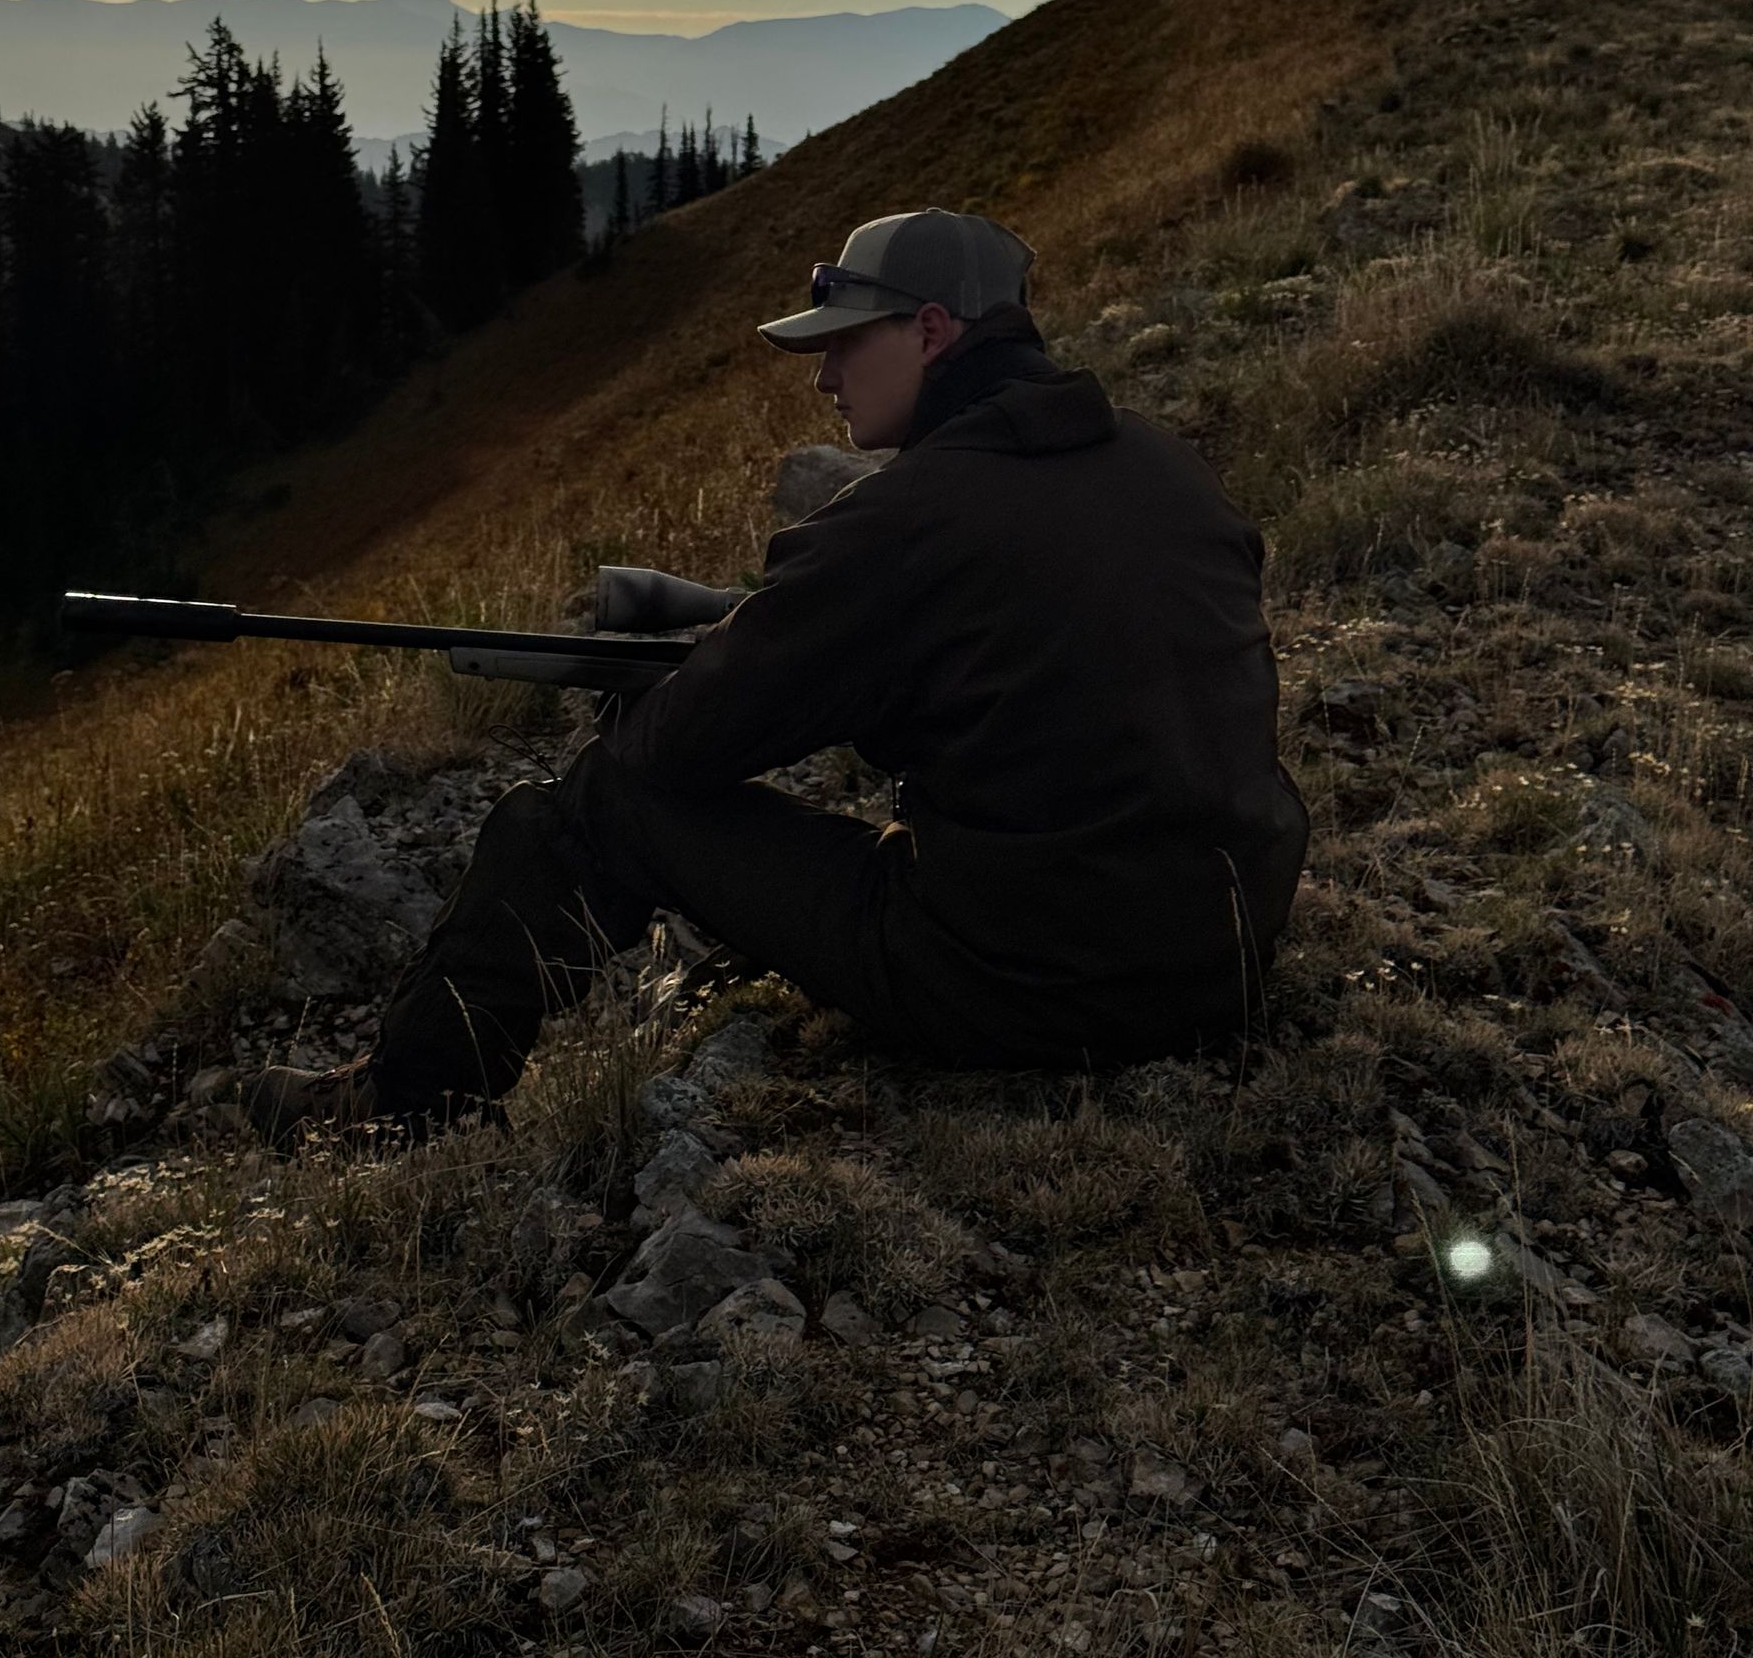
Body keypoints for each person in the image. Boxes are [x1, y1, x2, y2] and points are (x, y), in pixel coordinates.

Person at [248, 206, 1307, 1138]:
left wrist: (667, 687)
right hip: (1225, 960)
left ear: (930, 331)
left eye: (845, 342)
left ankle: (405, 1105)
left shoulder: (903, 520)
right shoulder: (1170, 467)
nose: (823, 376)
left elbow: (677, 753)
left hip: (1024, 993)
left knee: (604, 803)